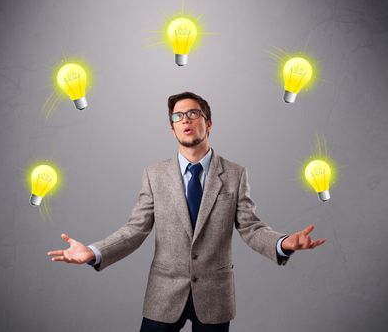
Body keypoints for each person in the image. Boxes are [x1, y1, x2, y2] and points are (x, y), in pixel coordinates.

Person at [48, 92, 326, 332]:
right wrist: (94, 252)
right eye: (177, 116)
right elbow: (135, 229)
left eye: (193, 113)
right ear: (172, 129)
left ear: (208, 123)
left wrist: (283, 243)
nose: (185, 120)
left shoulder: (235, 174)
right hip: (164, 294)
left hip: (215, 296)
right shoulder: (154, 175)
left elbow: (251, 228)